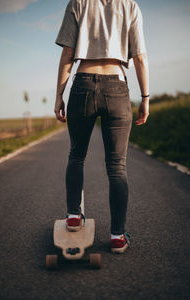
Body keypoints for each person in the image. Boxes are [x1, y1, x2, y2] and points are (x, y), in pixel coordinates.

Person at [54, 0, 149, 254]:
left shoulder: (78, 3)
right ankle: (118, 237)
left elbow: (67, 53)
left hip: (83, 83)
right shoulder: (130, 6)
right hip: (116, 87)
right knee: (117, 166)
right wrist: (146, 98)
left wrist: (59, 95)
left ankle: (74, 216)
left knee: (76, 155)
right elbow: (140, 56)